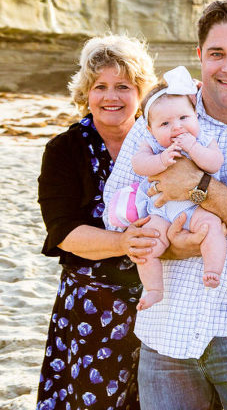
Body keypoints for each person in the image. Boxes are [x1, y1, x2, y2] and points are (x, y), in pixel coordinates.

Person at [103, 0, 227, 409]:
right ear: (200, 57)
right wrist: (175, 245)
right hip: (167, 335)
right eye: (217, 54)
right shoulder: (156, 120)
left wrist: (196, 185)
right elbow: (118, 206)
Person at [36, 34, 158, 410]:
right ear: (85, 93)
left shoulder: (161, 141)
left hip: (161, 303)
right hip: (93, 304)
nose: (111, 97)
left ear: (141, 93)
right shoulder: (64, 150)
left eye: (123, 86)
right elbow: (63, 231)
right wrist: (123, 243)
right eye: (100, 86)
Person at [127, 66, 226, 310]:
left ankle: (212, 270)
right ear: (150, 129)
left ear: (195, 116)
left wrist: (193, 148)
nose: (177, 127)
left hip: (195, 205)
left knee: (212, 226)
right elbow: (138, 164)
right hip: (160, 211)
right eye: (165, 123)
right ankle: (154, 289)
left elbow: (214, 163)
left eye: (184, 118)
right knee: (146, 245)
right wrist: (160, 161)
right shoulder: (150, 144)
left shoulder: (202, 139)